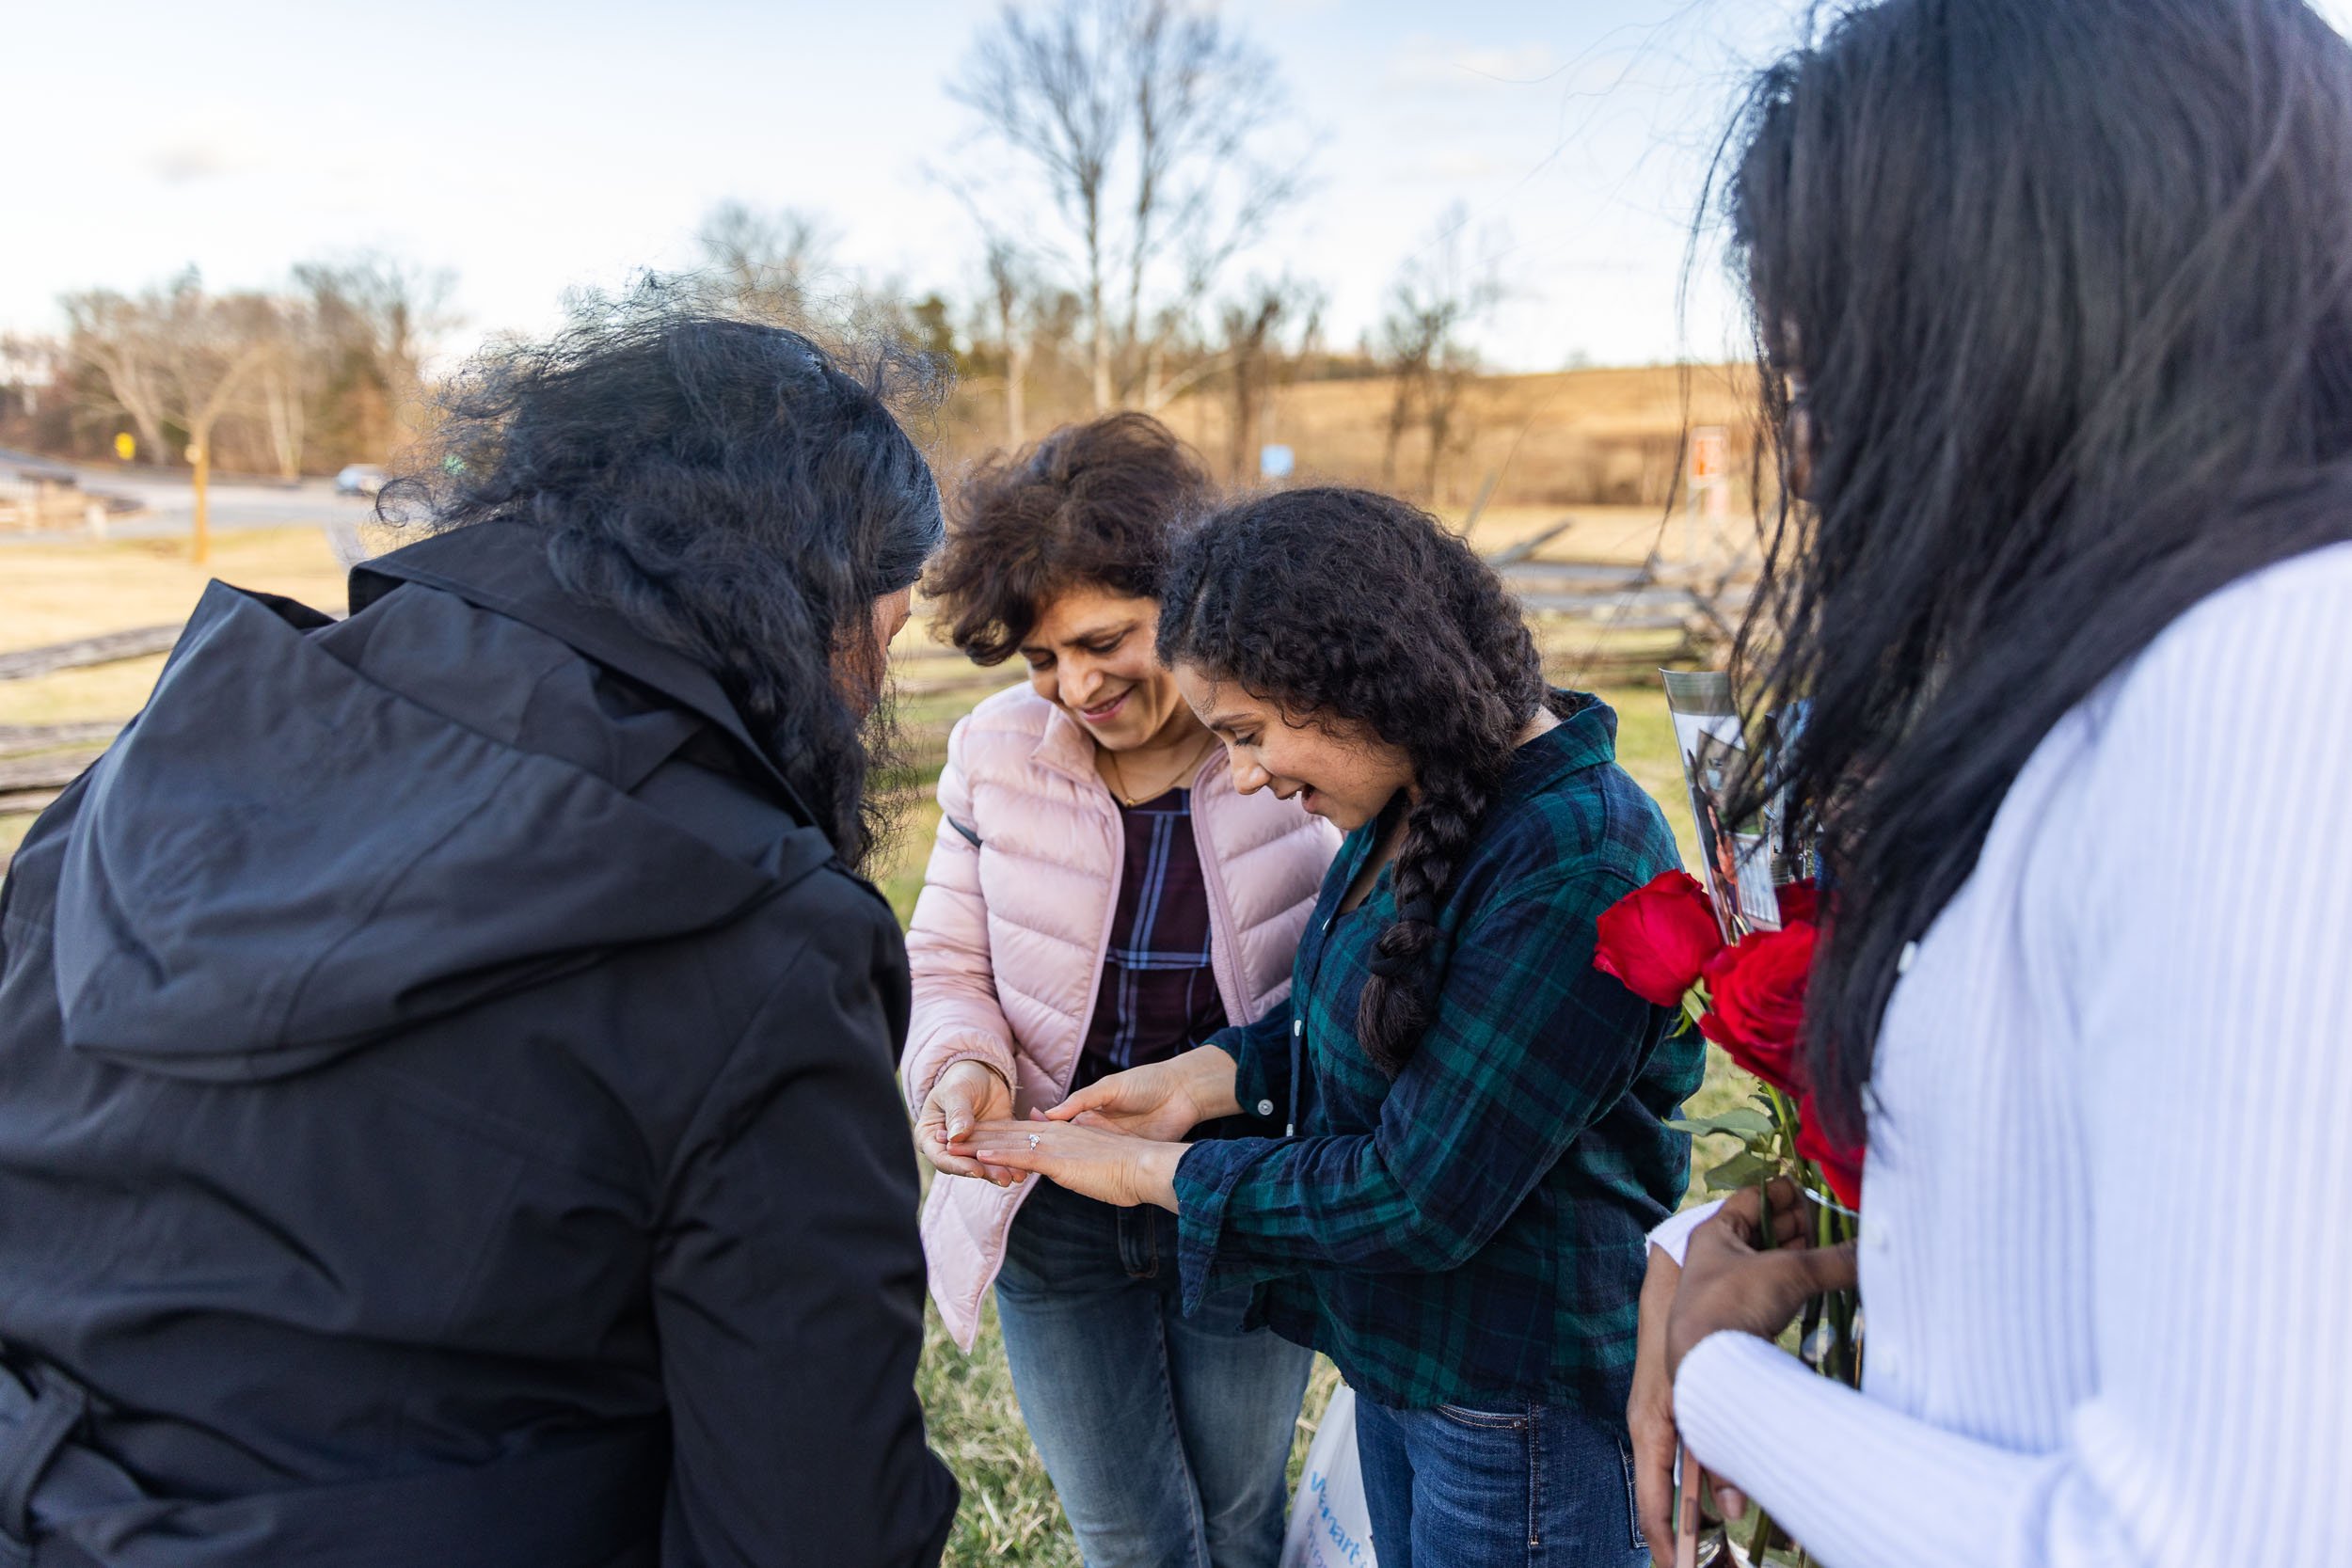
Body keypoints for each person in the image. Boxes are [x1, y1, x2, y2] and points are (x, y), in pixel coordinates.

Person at [0, 300, 959, 1566]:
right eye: (881, 637)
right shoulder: (763, 940)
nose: (873, 696)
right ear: (800, 603)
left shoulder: (168, 752)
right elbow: (810, 1520)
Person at [1626, 1, 2352, 1563]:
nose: (1811, 462)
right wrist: (1796, 1267)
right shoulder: (2118, 688)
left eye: (1834, 383)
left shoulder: (2268, 668)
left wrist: (1727, 1383)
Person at [951, 486, 1704, 1568]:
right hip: (1411, 1362)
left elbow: (1418, 1192)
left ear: (1356, 674)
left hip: (1510, 1405)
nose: (1248, 773)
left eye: (1250, 734)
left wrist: (1149, 1174)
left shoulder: (1568, 859)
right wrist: (1204, 1078)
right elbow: (1357, 1021)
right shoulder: (1415, 794)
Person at [904, 413, 1334, 1568]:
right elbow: (945, 961)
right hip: (1052, 1198)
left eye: (1105, 640)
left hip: (1237, 1189)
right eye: (1043, 658)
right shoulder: (995, 751)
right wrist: (965, 1065)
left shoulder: (1292, 745)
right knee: (1126, 1533)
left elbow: (1355, 986)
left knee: (1240, 1515)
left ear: (1192, 604)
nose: (1075, 685)